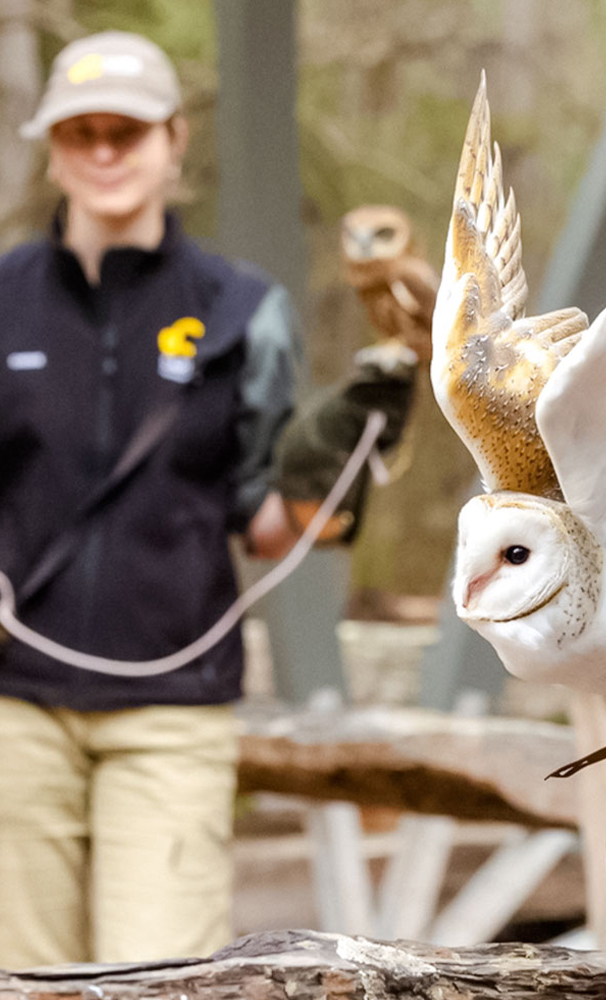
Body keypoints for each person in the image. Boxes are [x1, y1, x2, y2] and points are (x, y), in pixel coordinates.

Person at [0, 31, 409, 967]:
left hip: (171, 713)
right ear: (54, 146)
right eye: (82, 132)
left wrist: (337, 455)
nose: (105, 152)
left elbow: (273, 528)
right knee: (21, 983)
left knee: (161, 983)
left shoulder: (241, 310)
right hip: (14, 708)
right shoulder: (6, 299)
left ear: (173, 139)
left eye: (127, 131)